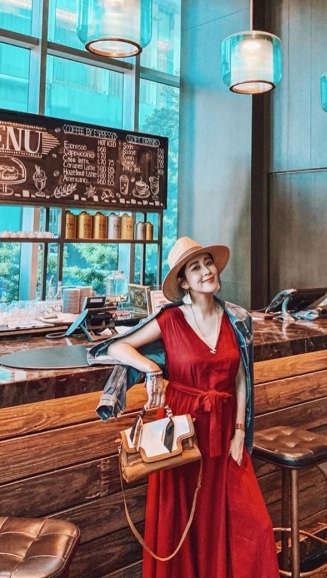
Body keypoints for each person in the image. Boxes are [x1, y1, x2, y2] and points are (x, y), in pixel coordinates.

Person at [89, 236, 279, 578]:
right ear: (184, 282)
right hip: (181, 433)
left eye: (208, 263)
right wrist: (152, 369)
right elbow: (115, 347)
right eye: (196, 268)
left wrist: (239, 432)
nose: (207, 271)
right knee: (182, 523)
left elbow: (241, 378)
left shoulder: (236, 318)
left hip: (225, 430)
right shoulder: (171, 319)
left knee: (254, 524)